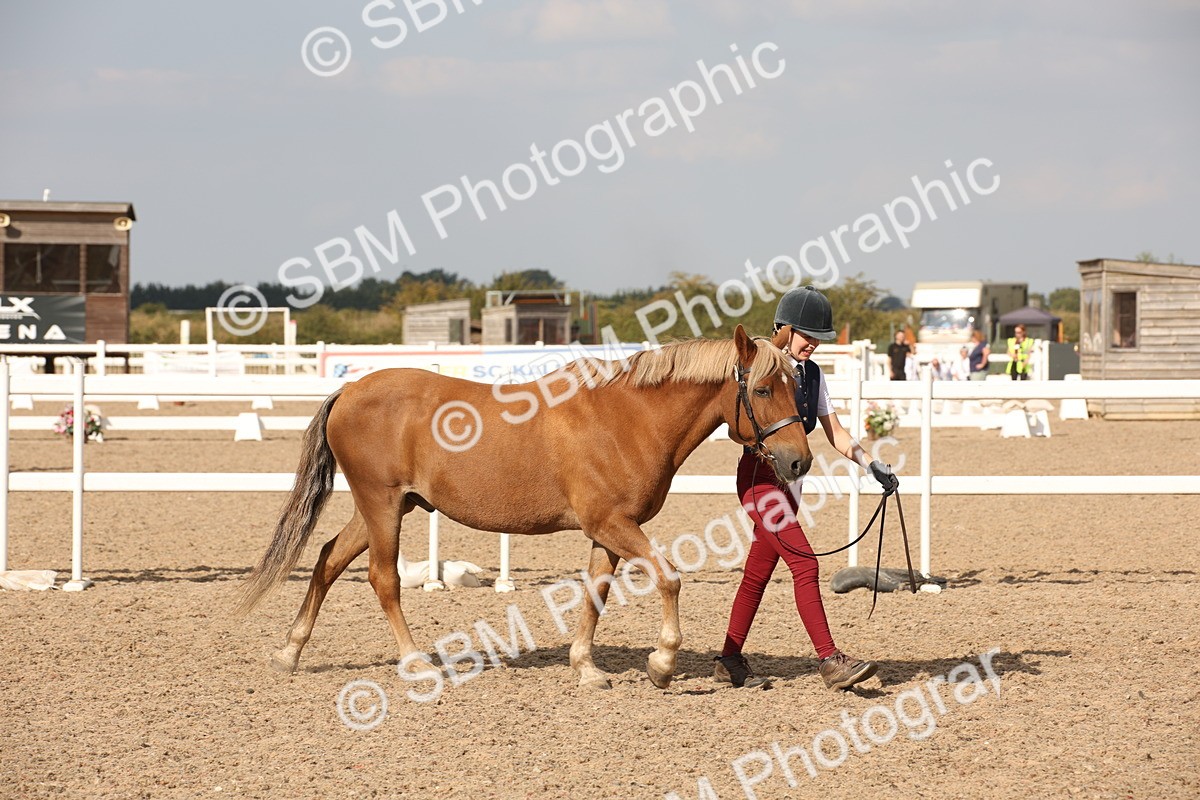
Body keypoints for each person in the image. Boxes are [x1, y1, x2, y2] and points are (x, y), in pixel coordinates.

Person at [714, 285, 899, 692]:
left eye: (818, 337)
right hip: (760, 481)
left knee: (757, 574)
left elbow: (835, 432)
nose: (812, 344)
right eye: (806, 335)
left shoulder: (812, 376)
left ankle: (729, 660)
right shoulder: (762, 367)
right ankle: (830, 660)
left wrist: (872, 465)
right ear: (783, 329)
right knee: (806, 564)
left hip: (790, 486)